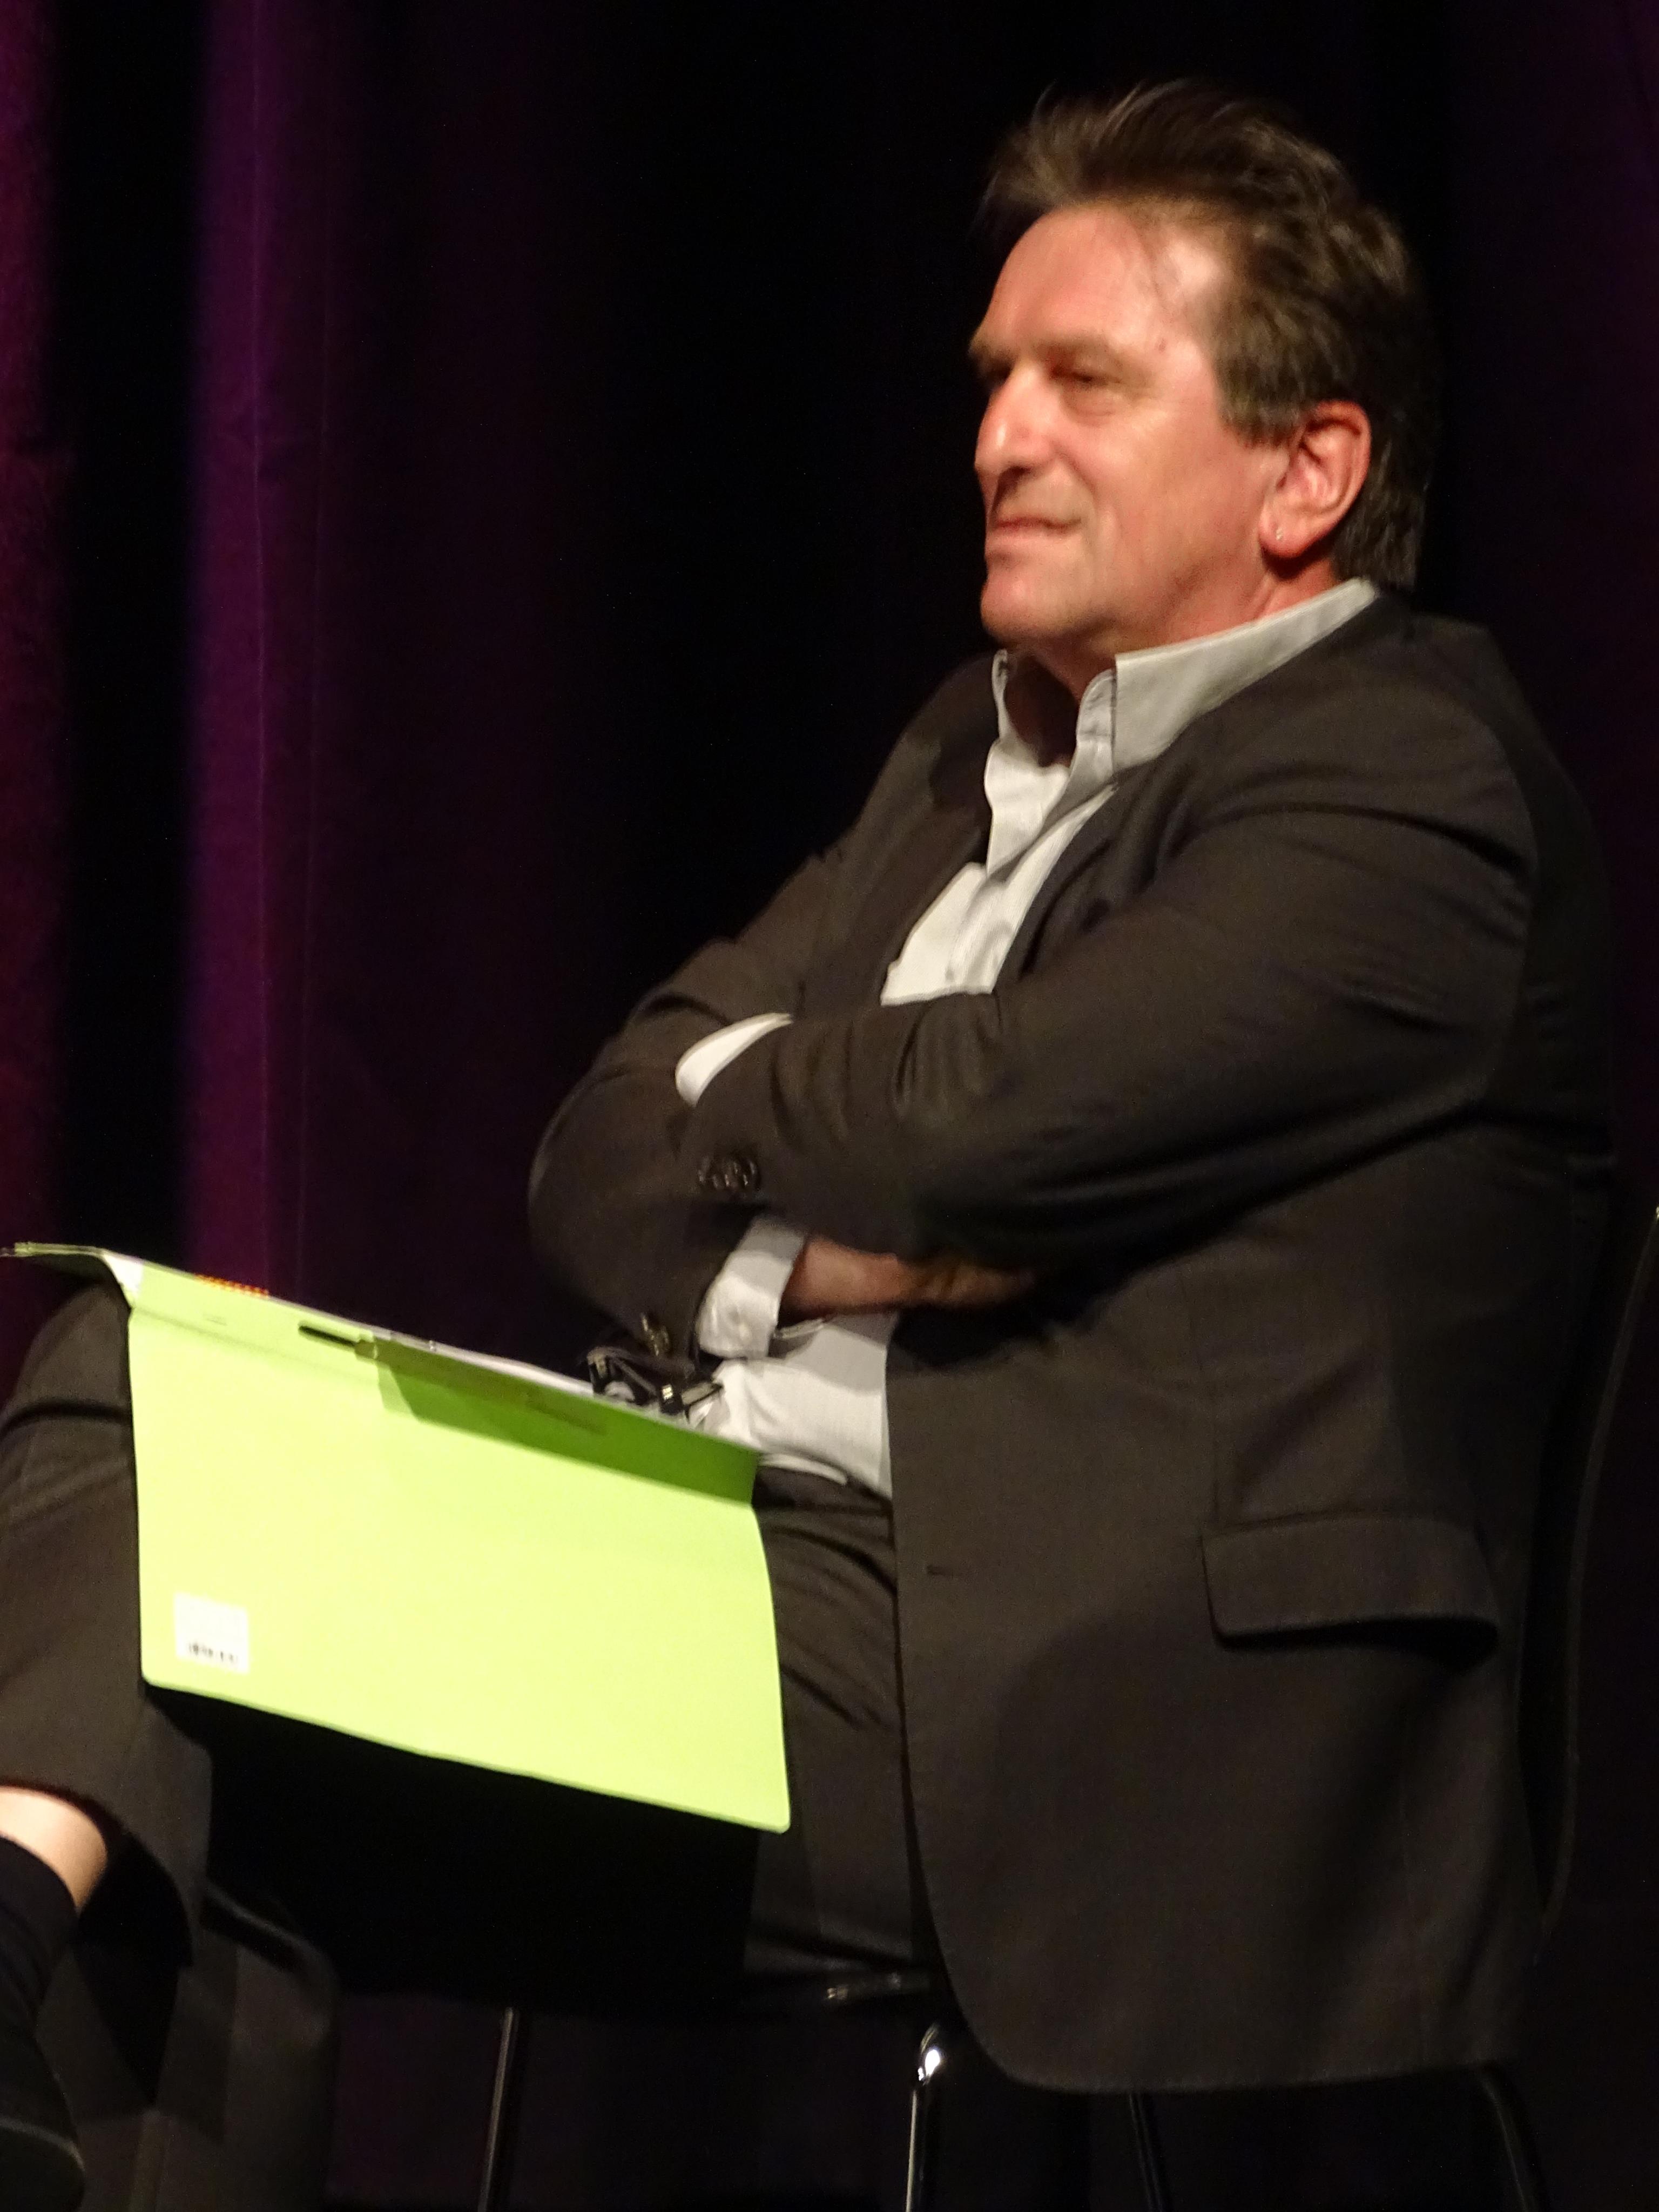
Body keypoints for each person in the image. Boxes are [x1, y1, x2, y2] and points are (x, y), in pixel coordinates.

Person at [0, 79, 1614, 2211]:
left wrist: (771, 1111)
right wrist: (827, 1237)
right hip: (741, 1560)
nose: (998, 438)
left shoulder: (1406, 782)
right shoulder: (964, 748)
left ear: (1308, 467)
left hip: (1064, 1693)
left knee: (185, 1714)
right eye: (993, 381)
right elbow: (594, 1151)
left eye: (1083, 383)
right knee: (138, 1396)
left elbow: (985, 1129)